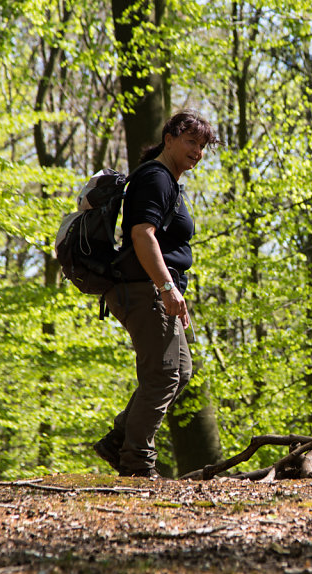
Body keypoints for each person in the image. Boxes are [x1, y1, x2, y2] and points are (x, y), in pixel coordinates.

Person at [93, 110, 219, 478]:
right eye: (191, 142)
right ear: (169, 140)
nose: (197, 151)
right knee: (163, 375)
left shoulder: (167, 180)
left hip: (156, 289)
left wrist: (175, 292)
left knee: (179, 372)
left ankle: (118, 440)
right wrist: (166, 288)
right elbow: (142, 235)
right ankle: (136, 462)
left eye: (202, 145)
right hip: (142, 288)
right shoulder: (156, 178)